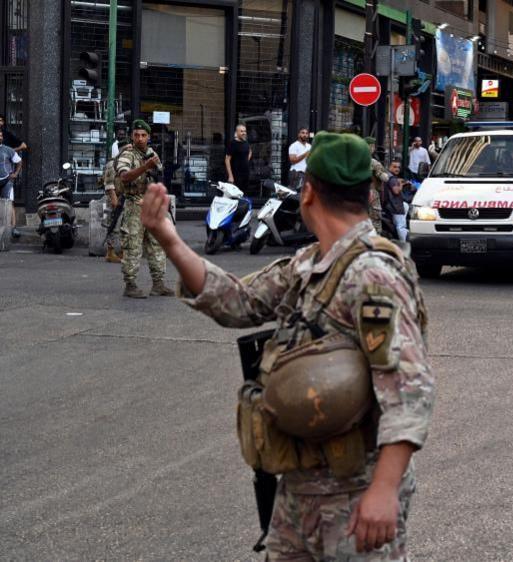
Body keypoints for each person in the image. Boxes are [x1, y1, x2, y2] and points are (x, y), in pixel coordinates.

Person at [137, 132, 434, 559]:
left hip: (354, 495)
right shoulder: (310, 263)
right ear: (367, 193)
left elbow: (410, 390)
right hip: (298, 491)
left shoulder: (373, 274)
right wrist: (169, 238)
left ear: (308, 191)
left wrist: (384, 490)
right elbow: (239, 302)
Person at [116, 119, 170, 299]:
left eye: (143, 135)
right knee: (133, 246)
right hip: (134, 205)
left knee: (157, 245)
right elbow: (124, 177)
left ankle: (159, 284)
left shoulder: (152, 153)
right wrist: (145, 167)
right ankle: (130, 285)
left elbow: (160, 175)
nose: (140, 138)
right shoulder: (127, 154)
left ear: (148, 137)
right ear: (132, 136)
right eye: (136, 135)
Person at [384, 160, 409, 242]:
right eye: (394, 167)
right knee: (401, 227)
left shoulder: (389, 176)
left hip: (392, 206)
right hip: (395, 206)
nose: (397, 169)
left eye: (398, 167)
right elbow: (396, 191)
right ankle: (405, 244)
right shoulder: (392, 178)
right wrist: (401, 184)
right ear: (389, 167)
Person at [368, 137, 389, 235]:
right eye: (372, 146)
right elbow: (385, 178)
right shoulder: (373, 162)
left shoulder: (354, 161)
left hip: (357, 195)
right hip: (372, 193)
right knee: (376, 220)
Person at [225, 124, 252, 191]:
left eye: (245, 131)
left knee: (244, 194)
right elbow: (227, 160)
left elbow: (250, 151)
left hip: (245, 174)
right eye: (241, 131)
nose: (244, 133)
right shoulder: (233, 144)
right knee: (235, 195)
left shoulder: (246, 142)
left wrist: (245, 161)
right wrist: (230, 176)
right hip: (236, 174)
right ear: (237, 132)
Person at [0, 131, 22, 201]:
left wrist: (15, 174)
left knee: (9, 203)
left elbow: (19, 161)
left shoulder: (8, 150)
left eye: (1, 136)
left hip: (7, 180)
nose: (0, 138)